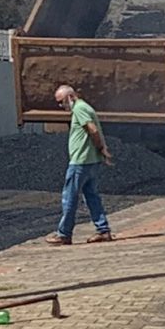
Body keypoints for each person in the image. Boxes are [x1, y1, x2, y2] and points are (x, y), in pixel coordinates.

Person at [46, 85, 115, 246]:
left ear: (70, 96)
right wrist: (101, 151)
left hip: (80, 162)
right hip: (91, 161)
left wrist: (100, 147)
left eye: (61, 102)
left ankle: (64, 234)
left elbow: (93, 130)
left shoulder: (79, 108)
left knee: (69, 197)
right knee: (92, 197)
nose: (61, 106)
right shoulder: (86, 107)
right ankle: (103, 230)